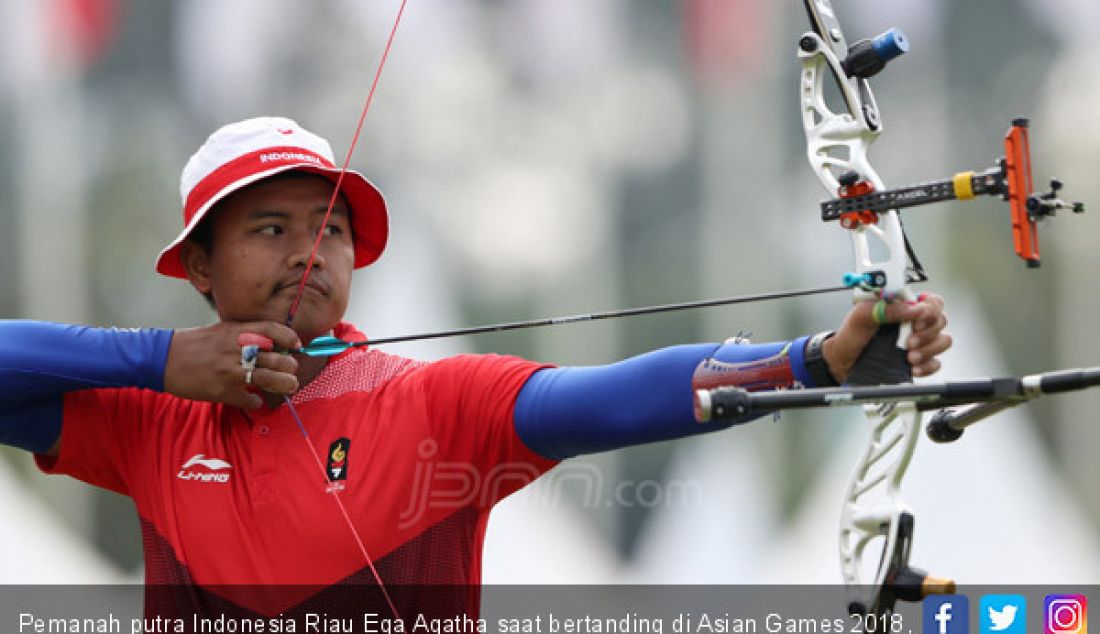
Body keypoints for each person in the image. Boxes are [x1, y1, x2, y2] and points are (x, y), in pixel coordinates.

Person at [0, 117, 950, 622]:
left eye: (331, 228)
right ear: (199, 268)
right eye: (271, 228)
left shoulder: (428, 401)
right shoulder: (145, 419)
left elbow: (606, 398)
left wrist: (811, 361)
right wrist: (160, 359)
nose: (310, 251)